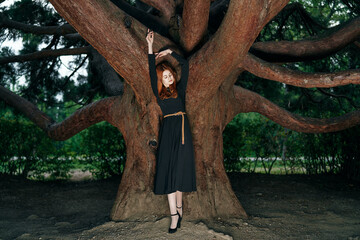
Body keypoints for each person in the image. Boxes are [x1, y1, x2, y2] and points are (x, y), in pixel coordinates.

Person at [146, 29, 197, 234]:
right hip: (167, 131)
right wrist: (150, 46)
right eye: (165, 76)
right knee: (168, 172)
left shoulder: (181, 89)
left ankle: (179, 208)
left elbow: (185, 64)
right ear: (161, 81)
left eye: (169, 75)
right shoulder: (159, 96)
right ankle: (174, 217)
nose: (168, 78)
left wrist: (169, 53)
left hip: (183, 130)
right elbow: (151, 71)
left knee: (179, 171)